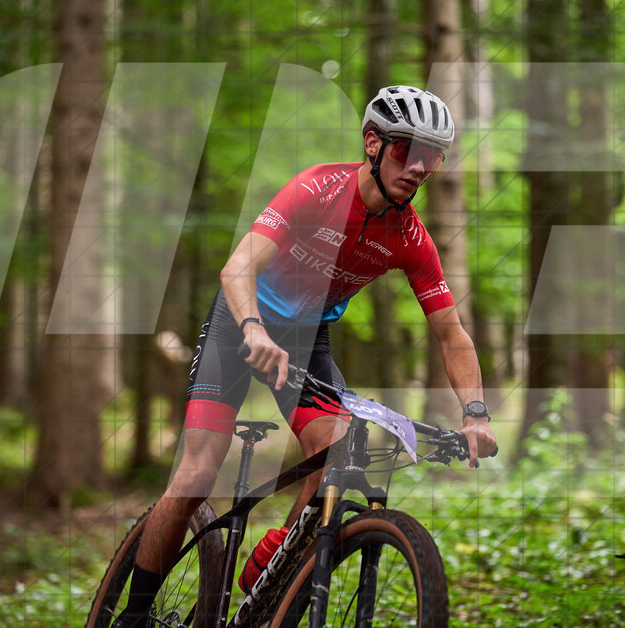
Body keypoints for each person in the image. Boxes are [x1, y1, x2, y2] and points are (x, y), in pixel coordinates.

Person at [113, 85, 499, 626]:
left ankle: (269, 580)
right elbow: (236, 269)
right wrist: (252, 326)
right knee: (198, 471)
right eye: (406, 150)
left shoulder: (409, 237)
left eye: (432, 157)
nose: (418, 167)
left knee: (337, 448)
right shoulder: (316, 188)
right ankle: (133, 616)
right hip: (238, 321)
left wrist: (475, 412)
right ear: (372, 143)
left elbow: (451, 332)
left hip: (305, 339)